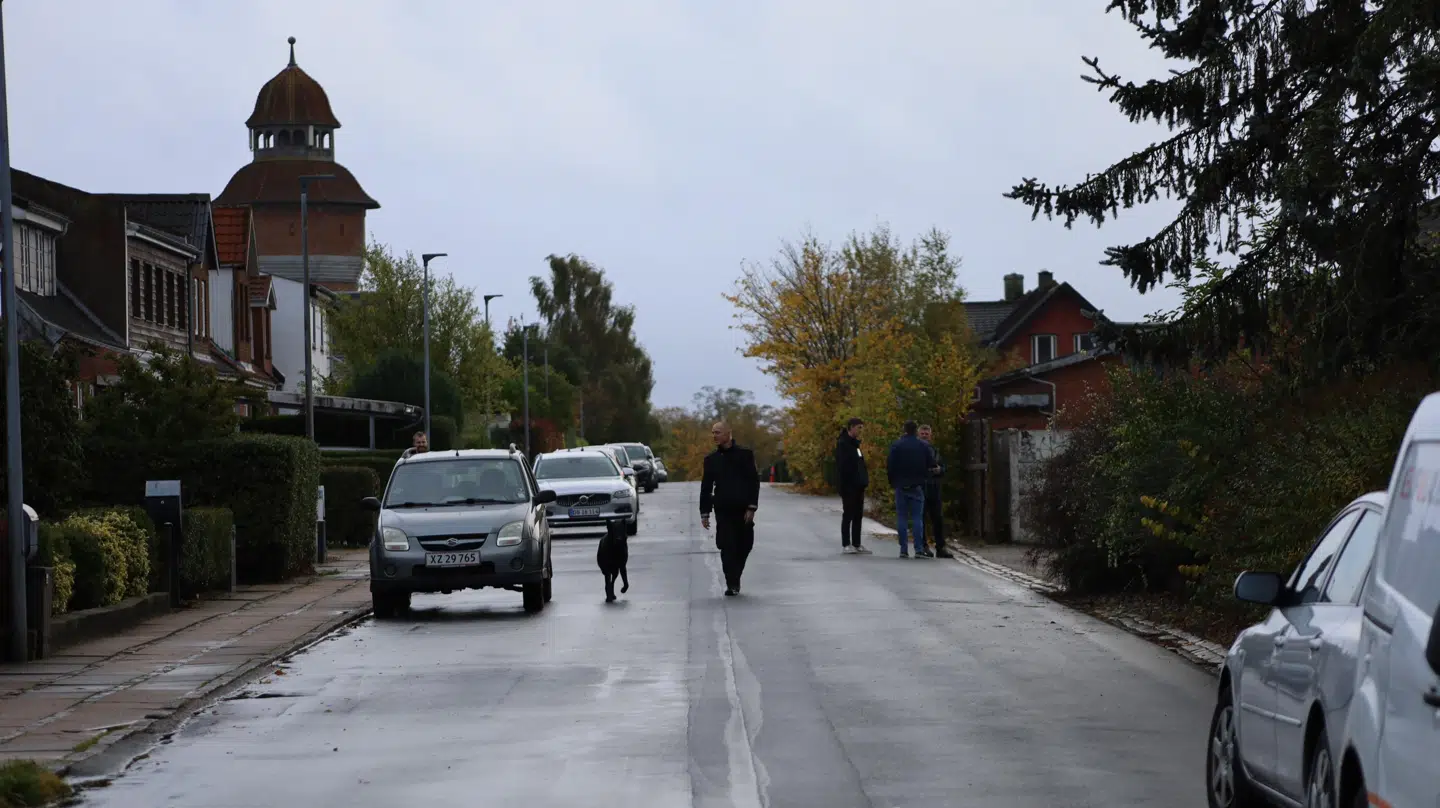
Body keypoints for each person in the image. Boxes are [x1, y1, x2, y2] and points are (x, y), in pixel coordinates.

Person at [699, 421, 761, 596]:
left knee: (745, 544)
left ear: (728, 433)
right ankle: (731, 583)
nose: (714, 436)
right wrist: (705, 513)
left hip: (743, 509)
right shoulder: (711, 460)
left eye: (718, 432)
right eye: (713, 433)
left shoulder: (745, 455)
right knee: (727, 546)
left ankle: (736, 575)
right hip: (723, 510)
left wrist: (752, 507)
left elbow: (753, 481)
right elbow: (706, 487)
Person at [886, 420, 932, 558]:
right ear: (916, 430)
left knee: (902, 517)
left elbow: (890, 465)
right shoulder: (923, 446)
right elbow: (931, 463)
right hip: (917, 485)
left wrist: (893, 481)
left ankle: (903, 549)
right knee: (917, 518)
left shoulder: (897, 445)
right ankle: (918, 549)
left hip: (901, 485)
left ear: (904, 430)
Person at [834, 417, 872, 555]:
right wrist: (844, 485)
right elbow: (842, 467)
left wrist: (863, 479)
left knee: (858, 515)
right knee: (848, 514)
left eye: (861, 428)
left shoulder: (855, 445)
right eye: (858, 428)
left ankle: (857, 543)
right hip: (849, 485)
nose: (860, 430)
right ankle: (846, 544)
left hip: (859, 485)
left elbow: (860, 463)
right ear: (851, 427)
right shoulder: (843, 444)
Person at [917, 424, 953, 559]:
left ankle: (940, 547)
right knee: (921, 518)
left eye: (926, 434)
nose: (924, 436)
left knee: (938, 518)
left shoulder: (935, 450)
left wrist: (940, 470)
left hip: (934, 488)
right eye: (922, 434)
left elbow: (943, 467)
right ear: (918, 435)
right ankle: (923, 546)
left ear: (930, 436)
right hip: (921, 487)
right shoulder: (916, 451)